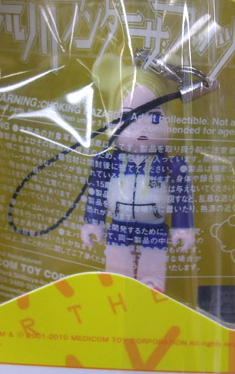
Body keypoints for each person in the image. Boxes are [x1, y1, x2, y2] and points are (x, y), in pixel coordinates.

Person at [80, 53, 195, 292]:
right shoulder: (107, 161)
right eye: (128, 117)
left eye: (155, 117)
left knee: (153, 267)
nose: (142, 127)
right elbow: (97, 193)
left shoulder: (173, 165)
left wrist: (182, 227)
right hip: (119, 226)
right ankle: (118, 285)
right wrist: (93, 223)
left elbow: (182, 198)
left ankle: (152, 286)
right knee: (117, 271)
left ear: (169, 119)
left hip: (155, 228)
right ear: (112, 120)